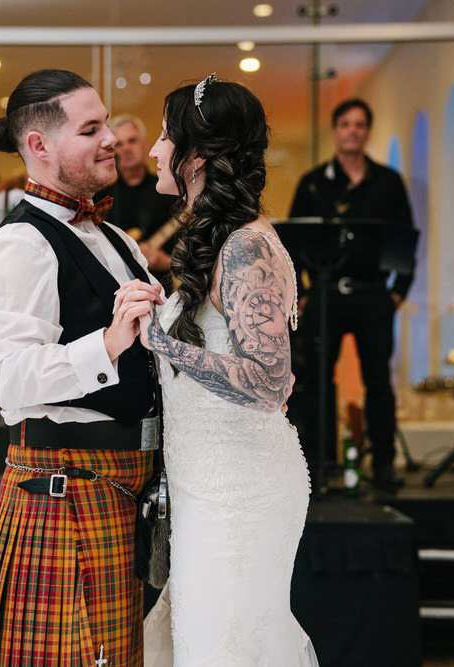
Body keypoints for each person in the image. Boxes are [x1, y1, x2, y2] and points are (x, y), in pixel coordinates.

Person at [0, 69, 163, 667]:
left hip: (123, 490)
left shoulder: (117, 237)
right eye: (90, 129)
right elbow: (9, 378)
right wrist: (110, 341)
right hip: (64, 491)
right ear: (39, 146)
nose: (111, 141)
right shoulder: (18, 247)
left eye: (108, 126)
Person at [133, 74, 318, 666]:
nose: (156, 150)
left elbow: (266, 383)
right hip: (205, 482)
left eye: (165, 137)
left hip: (240, 488)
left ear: (197, 155)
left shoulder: (247, 247)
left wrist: (160, 341)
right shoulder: (218, 239)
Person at [286, 98, 415, 493]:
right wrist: (303, 293)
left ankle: (384, 463)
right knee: (320, 380)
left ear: (367, 131)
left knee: (379, 381)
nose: (352, 131)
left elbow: (403, 239)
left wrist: (398, 294)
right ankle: (322, 464)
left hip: (374, 296)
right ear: (335, 130)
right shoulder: (312, 182)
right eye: (345, 124)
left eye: (360, 125)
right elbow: (290, 241)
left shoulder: (388, 182)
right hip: (325, 296)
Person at [95, 114, 179, 291]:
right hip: (113, 290)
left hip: (160, 288)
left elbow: (191, 255)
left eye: (132, 141)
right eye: (119, 144)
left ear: (145, 145)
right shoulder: (99, 195)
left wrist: (165, 262)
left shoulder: (169, 191)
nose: (126, 149)